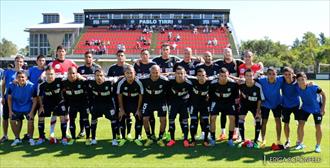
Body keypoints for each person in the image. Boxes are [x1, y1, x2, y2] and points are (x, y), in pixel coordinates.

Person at [48, 45, 78, 138]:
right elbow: (47, 76)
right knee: (55, 113)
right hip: (56, 93)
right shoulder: (52, 64)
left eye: (63, 51)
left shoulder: (71, 62)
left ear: (65, 52)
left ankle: (67, 132)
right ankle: (52, 133)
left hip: (68, 93)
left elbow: (77, 73)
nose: (61, 53)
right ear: (56, 52)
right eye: (59, 51)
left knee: (66, 113)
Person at [214, 48, 244, 141]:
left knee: (235, 113)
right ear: (223, 54)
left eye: (229, 52)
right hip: (224, 91)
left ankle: (236, 132)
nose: (227, 53)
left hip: (236, 92)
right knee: (223, 113)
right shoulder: (219, 63)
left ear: (232, 53)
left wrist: (260, 64)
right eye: (225, 52)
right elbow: (209, 62)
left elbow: (248, 64)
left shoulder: (238, 62)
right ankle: (223, 133)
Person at [36, 66, 69, 145]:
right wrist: (41, 106)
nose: (50, 76)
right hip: (48, 103)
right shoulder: (42, 85)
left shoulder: (60, 81)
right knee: (40, 115)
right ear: (45, 75)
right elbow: (39, 96)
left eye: (51, 74)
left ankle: (64, 137)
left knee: (63, 117)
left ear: (55, 74)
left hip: (59, 102)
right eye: (48, 74)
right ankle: (41, 137)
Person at [295, 72, 326, 153]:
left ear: (306, 79)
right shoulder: (297, 87)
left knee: (318, 127)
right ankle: (300, 144)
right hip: (305, 108)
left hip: (317, 109)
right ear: (297, 81)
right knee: (300, 124)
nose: (301, 81)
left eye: (303, 79)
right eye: (299, 80)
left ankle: (318, 146)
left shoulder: (313, 87)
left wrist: (323, 108)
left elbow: (324, 95)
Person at [87, 69, 119, 146]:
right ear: (94, 76)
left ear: (104, 76)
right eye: (97, 75)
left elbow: (115, 95)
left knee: (113, 120)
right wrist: (90, 106)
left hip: (108, 104)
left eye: (101, 75)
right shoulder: (91, 83)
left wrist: (116, 107)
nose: (99, 77)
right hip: (97, 104)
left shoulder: (110, 82)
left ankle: (114, 139)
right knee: (93, 120)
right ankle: (93, 139)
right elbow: (89, 95)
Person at [140, 65, 169, 147]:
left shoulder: (165, 80)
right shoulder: (144, 79)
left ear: (160, 72)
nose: (155, 74)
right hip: (148, 100)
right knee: (145, 119)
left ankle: (160, 138)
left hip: (160, 100)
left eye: (157, 72)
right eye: (153, 73)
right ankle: (149, 137)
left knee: (163, 119)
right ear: (150, 72)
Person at [209, 68, 239, 147]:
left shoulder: (233, 84)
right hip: (216, 101)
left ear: (228, 75)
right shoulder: (213, 83)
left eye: (225, 76)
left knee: (232, 118)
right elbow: (210, 95)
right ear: (218, 76)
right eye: (221, 76)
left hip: (229, 102)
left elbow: (236, 97)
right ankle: (212, 138)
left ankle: (230, 139)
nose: (223, 78)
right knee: (212, 118)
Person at [7, 71, 37, 146]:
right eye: (19, 77)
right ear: (16, 78)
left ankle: (30, 138)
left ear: (26, 78)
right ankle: (17, 138)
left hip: (28, 107)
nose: (21, 79)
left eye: (23, 77)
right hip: (16, 107)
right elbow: (9, 98)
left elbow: (35, 101)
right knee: (12, 120)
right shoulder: (11, 85)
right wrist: (10, 111)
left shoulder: (31, 86)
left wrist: (32, 112)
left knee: (30, 120)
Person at [117, 65, 144, 146]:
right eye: (127, 73)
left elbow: (141, 96)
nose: (129, 75)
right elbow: (119, 95)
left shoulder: (138, 82)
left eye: (131, 73)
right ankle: (123, 138)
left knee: (139, 117)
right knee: (122, 117)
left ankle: (137, 137)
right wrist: (121, 109)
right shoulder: (121, 82)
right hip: (126, 101)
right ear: (124, 74)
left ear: (134, 73)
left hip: (136, 102)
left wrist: (138, 109)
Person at [256, 67, 283, 148]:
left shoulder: (280, 79)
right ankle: (263, 140)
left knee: (278, 121)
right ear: (267, 75)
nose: (272, 76)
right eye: (270, 74)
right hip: (265, 104)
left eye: (274, 74)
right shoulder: (262, 80)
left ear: (276, 74)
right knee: (264, 122)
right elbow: (252, 79)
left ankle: (278, 140)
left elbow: (293, 77)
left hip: (277, 103)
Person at [62, 67, 90, 145]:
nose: (71, 75)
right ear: (67, 74)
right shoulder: (64, 82)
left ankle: (88, 138)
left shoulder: (82, 81)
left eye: (73, 73)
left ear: (77, 74)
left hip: (83, 103)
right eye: (70, 73)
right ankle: (73, 138)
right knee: (72, 120)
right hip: (72, 104)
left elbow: (90, 83)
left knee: (85, 120)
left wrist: (83, 78)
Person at [1, 55, 25, 143]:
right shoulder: (7, 72)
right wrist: (3, 96)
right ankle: (5, 135)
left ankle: (17, 137)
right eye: (17, 61)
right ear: (14, 62)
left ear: (23, 63)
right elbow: (3, 85)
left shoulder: (25, 73)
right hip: (8, 99)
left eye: (21, 61)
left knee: (19, 118)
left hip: (19, 100)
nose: (19, 63)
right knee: (5, 117)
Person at [237, 69, 264, 148]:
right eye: (247, 76)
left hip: (255, 105)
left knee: (258, 119)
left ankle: (256, 140)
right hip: (244, 104)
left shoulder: (258, 86)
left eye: (251, 75)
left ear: (253, 76)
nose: (249, 77)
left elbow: (260, 99)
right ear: (244, 76)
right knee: (240, 119)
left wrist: (258, 111)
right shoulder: (241, 85)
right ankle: (242, 139)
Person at [77, 51, 101, 138]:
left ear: (92, 58)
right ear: (84, 58)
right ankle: (82, 130)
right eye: (86, 57)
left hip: (94, 95)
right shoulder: (80, 69)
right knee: (83, 114)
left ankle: (93, 131)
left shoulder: (97, 67)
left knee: (94, 114)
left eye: (90, 57)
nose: (88, 58)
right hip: (82, 95)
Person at [166, 66, 192, 147]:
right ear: (175, 74)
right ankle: (172, 139)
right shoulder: (170, 81)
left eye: (181, 73)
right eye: (178, 73)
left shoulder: (189, 83)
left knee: (184, 121)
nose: (180, 75)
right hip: (173, 104)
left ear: (185, 74)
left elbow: (192, 95)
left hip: (184, 104)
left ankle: (185, 139)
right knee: (171, 121)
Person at [188, 68, 211, 147]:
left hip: (205, 105)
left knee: (205, 121)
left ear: (206, 76)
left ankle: (205, 140)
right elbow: (183, 75)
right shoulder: (192, 81)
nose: (201, 77)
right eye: (199, 76)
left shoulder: (210, 82)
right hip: (194, 104)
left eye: (203, 75)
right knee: (193, 121)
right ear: (196, 76)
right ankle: (193, 140)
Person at [281, 67, 300, 148]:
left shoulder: (297, 82)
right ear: (283, 75)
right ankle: (287, 140)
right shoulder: (282, 82)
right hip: (285, 106)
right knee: (286, 123)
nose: (288, 76)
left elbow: (304, 80)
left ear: (293, 74)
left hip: (296, 105)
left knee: (300, 123)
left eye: (289, 74)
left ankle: (299, 140)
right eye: (286, 74)